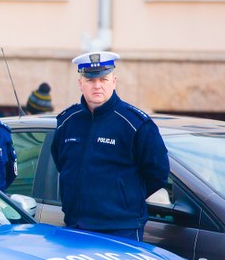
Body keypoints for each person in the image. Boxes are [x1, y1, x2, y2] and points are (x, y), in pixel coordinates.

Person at [50, 51, 169, 241]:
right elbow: (61, 162)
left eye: (103, 80)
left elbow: (158, 173)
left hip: (121, 229)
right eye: (90, 80)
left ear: (114, 81)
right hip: (76, 226)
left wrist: (123, 197)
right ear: (80, 84)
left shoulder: (135, 124)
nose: (97, 86)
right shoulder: (67, 121)